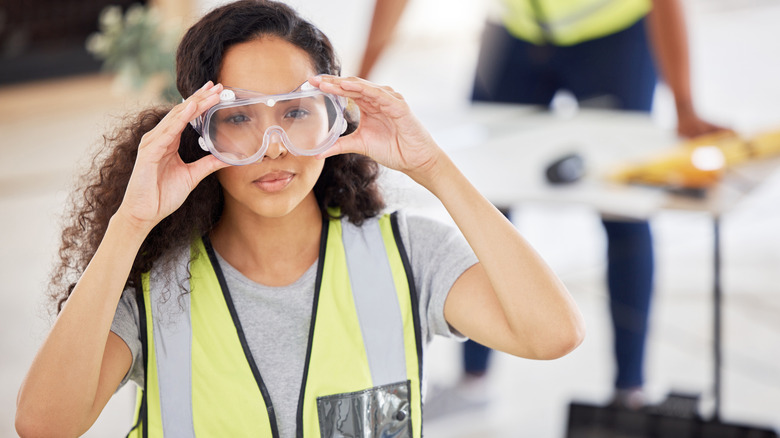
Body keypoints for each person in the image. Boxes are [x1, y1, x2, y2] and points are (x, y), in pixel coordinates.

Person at [14, 1, 585, 437]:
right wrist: (130, 224)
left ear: (333, 119)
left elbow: (554, 334)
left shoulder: (407, 255)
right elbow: (44, 425)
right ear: (198, 132)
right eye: (239, 117)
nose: (274, 147)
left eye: (295, 112)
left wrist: (433, 167)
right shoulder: (153, 283)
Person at [359, 0, 728, 415]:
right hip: (518, 31)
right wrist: (359, 81)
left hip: (613, 32)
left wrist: (683, 106)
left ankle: (631, 393)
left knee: (623, 210)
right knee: (481, 199)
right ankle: (473, 381)